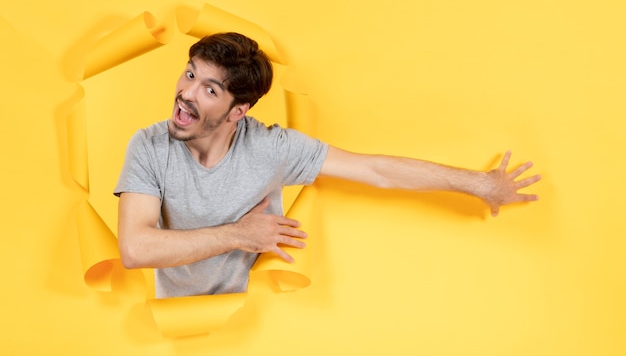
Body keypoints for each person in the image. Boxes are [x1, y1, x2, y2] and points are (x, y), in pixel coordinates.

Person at [115, 32, 541, 298]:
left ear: (236, 111)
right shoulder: (150, 146)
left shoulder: (271, 148)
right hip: (172, 324)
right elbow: (135, 249)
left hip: (254, 321)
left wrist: (480, 184)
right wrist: (239, 234)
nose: (186, 93)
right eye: (189, 75)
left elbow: (376, 170)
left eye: (209, 89)